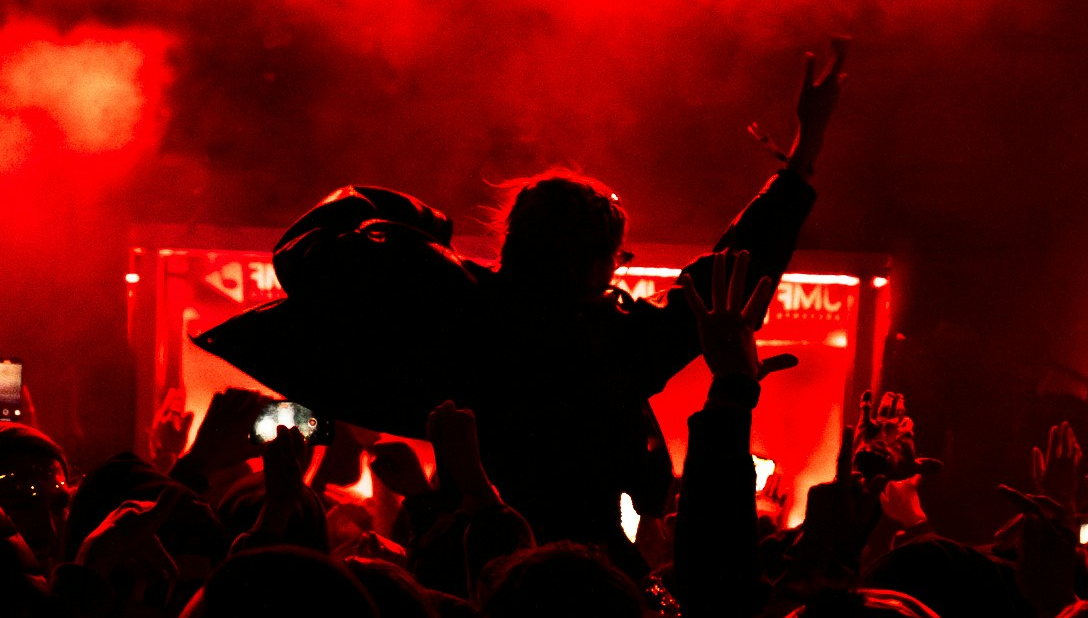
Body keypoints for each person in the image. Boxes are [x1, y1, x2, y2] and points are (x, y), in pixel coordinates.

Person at [194, 48, 847, 550]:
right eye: (617, 257)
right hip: (586, 573)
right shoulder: (608, 346)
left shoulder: (451, 314)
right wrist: (803, 153)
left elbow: (329, 304)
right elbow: (725, 277)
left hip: (467, 565)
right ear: (595, 263)